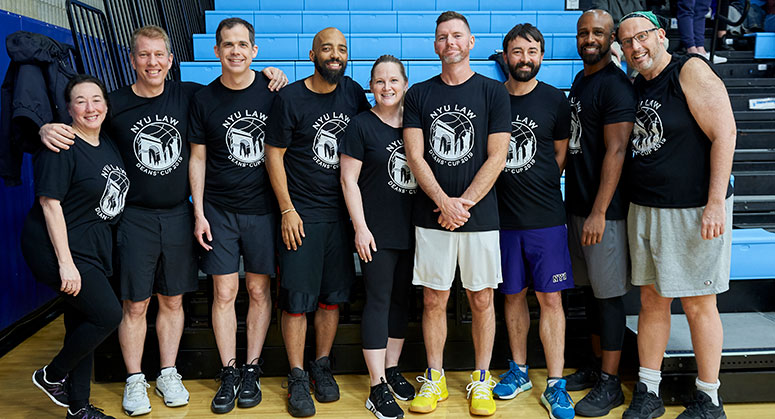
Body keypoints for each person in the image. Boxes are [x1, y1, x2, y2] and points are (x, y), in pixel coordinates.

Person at [38, 25, 288, 416]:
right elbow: (82, 126)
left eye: (160, 55)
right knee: (135, 304)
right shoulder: (114, 105)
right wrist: (46, 127)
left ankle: (168, 372)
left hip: (178, 214)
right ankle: (135, 379)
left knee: (173, 300)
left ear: (171, 60)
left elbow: (236, 83)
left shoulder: (189, 94)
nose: (152, 62)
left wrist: (273, 72)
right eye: (144, 55)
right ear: (132, 59)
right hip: (134, 218)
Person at [618, 11, 735, 419]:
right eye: (628, 42)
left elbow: (726, 132)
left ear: (661, 35)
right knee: (652, 299)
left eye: (642, 37)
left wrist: (716, 203)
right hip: (647, 208)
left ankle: (709, 398)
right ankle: (649, 390)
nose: (636, 47)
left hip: (694, 210)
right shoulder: (638, 84)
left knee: (699, 303)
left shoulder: (690, 70)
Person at [402, 11, 511, 417]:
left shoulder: (493, 92)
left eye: (457, 36)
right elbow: (415, 155)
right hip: (432, 214)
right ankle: (435, 377)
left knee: (482, 299)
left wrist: (462, 202)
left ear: (471, 43)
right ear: (435, 45)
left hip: (478, 215)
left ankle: (481, 380)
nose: (450, 42)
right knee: (434, 299)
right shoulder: (419, 95)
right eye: (443, 37)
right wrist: (444, 202)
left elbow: (497, 155)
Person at [265, 27, 371, 418]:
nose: (335, 55)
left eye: (342, 49)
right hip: (302, 217)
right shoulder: (291, 98)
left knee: (331, 300)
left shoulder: (355, 93)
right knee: (296, 302)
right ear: (312, 54)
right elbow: (273, 156)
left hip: (340, 217)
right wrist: (287, 210)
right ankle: (295, 375)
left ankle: (320, 366)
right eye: (327, 48)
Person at [188, 17, 284, 414]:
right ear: (217, 51)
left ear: (254, 51)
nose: (235, 51)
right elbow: (197, 157)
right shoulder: (204, 99)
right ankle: (228, 371)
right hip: (219, 211)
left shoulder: (274, 91)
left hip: (263, 210)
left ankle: (252, 367)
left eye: (243, 44)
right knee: (224, 293)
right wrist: (199, 212)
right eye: (228, 45)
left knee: (260, 291)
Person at [24, 74, 128, 419]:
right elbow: (49, 205)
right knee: (108, 314)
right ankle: (52, 376)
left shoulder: (108, 142)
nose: (90, 107)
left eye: (96, 99)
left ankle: (79, 409)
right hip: (58, 248)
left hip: (92, 247)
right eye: (80, 101)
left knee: (81, 321)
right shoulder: (63, 146)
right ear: (68, 108)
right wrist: (65, 264)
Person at [491, 23, 575, 419]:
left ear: (541, 56)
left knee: (550, 299)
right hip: (502, 219)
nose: (525, 59)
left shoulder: (555, 100)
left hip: (545, 217)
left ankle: (556, 384)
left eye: (532, 51)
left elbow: (559, 155)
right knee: (511, 296)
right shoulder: (492, 98)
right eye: (517, 51)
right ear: (505, 56)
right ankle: (519, 370)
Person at [562, 9, 636, 418]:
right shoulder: (581, 79)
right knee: (590, 294)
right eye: (583, 32)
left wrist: (599, 212)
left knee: (608, 298)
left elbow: (617, 150)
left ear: (611, 39)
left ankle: (611, 383)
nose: (589, 38)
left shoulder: (615, 85)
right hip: (577, 204)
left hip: (602, 213)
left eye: (598, 33)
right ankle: (594, 367)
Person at [340, 55, 417, 419]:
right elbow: (348, 181)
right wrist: (360, 226)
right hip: (376, 232)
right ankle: (376, 387)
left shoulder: (416, 126)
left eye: (393, 81)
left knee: (401, 302)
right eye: (379, 81)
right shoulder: (360, 126)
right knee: (379, 302)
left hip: (414, 229)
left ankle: (391, 369)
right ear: (371, 86)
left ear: (405, 84)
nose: (387, 87)